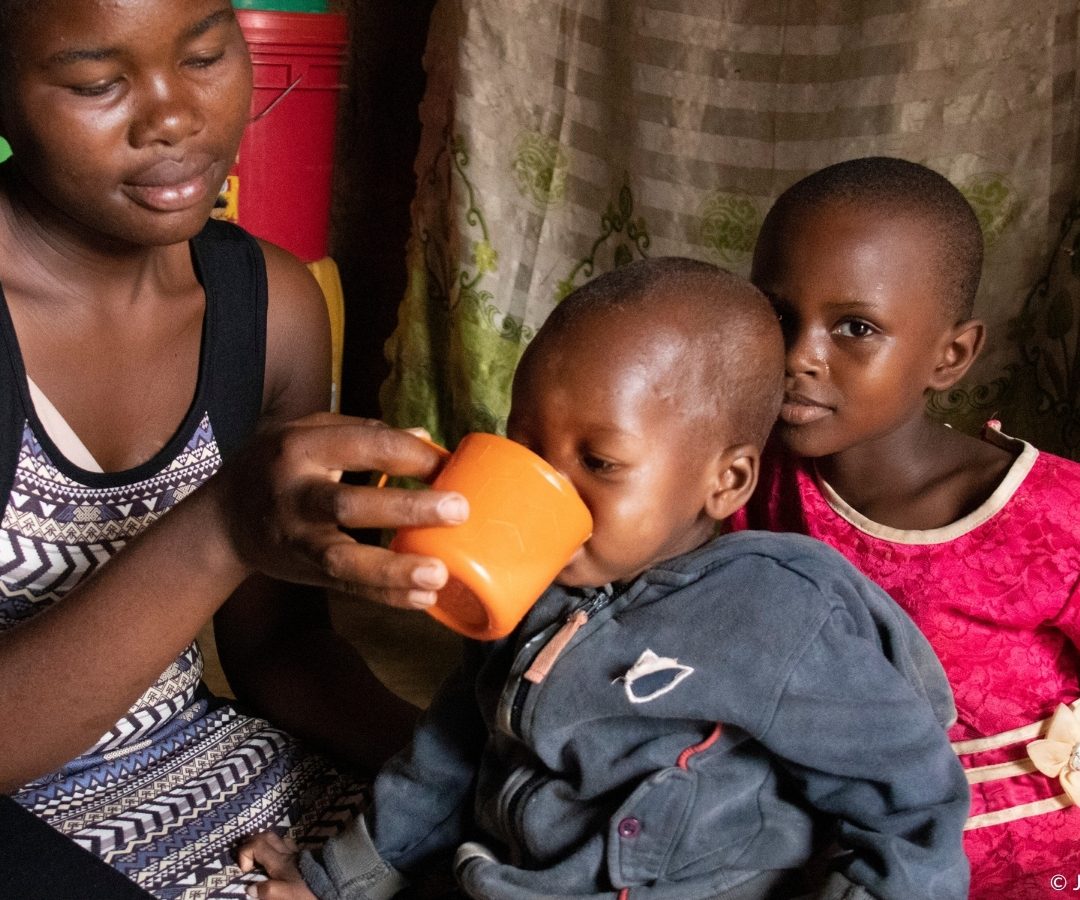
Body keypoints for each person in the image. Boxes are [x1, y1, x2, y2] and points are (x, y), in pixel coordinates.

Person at [239, 257, 971, 899]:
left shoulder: (778, 613)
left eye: (601, 463)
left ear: (728, 480)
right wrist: (340, 876)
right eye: (528, 444)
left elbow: (909, 798)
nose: (549, 483)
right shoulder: (531, 589)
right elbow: (452, 751)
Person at [0, 1, 473, 897]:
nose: (174, 117)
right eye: (99, 83)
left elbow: (282, 655)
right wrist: (220, 528)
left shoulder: (270, 310)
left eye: (208, 56)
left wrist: (476, 778)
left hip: (205, 763)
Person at [730, 156, 1080, 898]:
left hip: (1022, 864)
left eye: (855, 327)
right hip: (823, 843)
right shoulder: (741, 477)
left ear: (949, 355)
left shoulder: (1049, 516)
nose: (799, 357)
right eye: (778, 315)